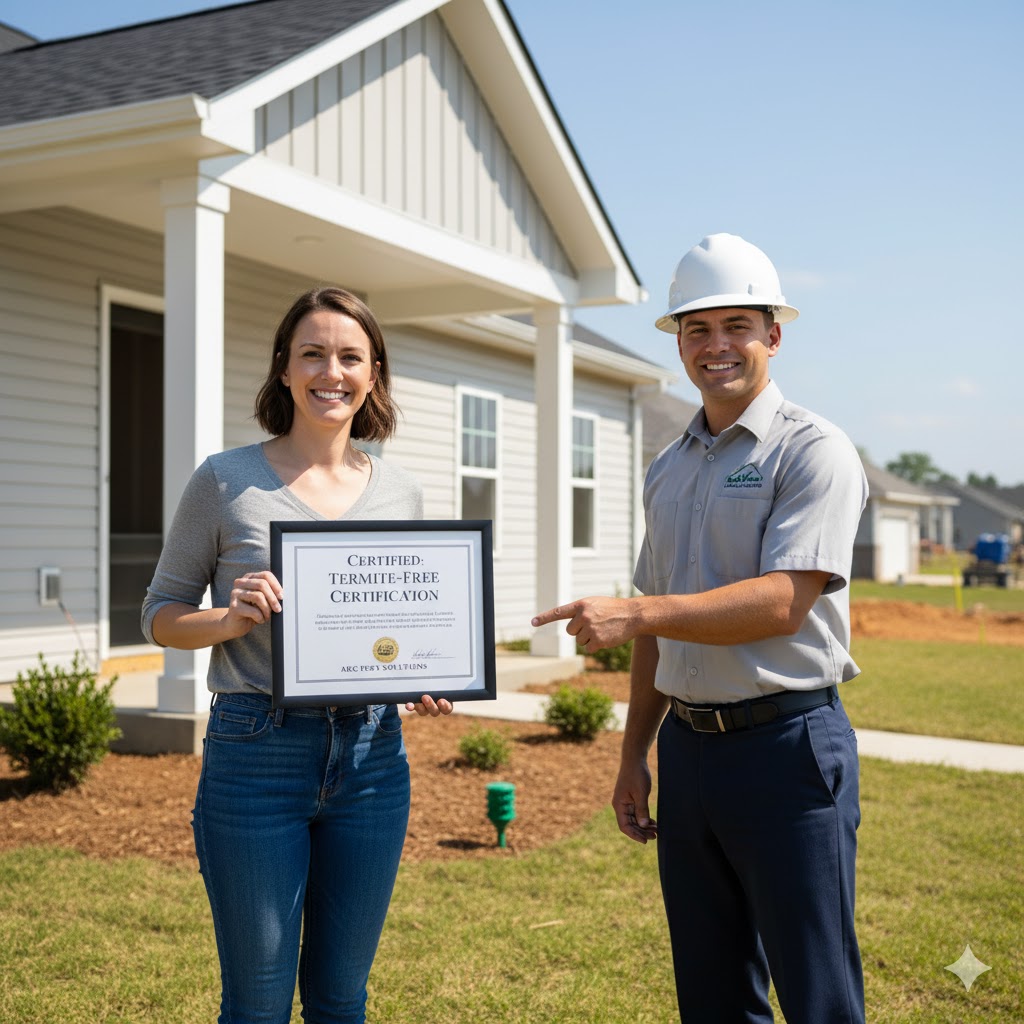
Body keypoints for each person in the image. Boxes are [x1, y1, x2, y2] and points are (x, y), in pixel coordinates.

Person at [533, 233, 868, 1024]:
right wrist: (633, 755)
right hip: (689, 752)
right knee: (712, 994)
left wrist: (636, 611)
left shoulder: (813, 451)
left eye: (735, 326)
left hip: (786, 750)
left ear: (773, 335)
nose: (715, 346)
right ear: (679, 342)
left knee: (816, 993)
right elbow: (657, 620)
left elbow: (786, 599)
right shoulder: (669, 465)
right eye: (696, 329)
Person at [142, 286, 452, 1024]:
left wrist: (428, 676)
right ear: (284, 368)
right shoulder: (226, 480)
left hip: (375, 760)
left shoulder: (403, 491)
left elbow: (407, 619)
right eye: (312, 353)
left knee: (343, 1000)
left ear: (373, 374)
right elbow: (160, 614)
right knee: (257, 1004)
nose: (330, 371)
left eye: (350, 356)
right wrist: (227, 617)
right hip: (257, 755)